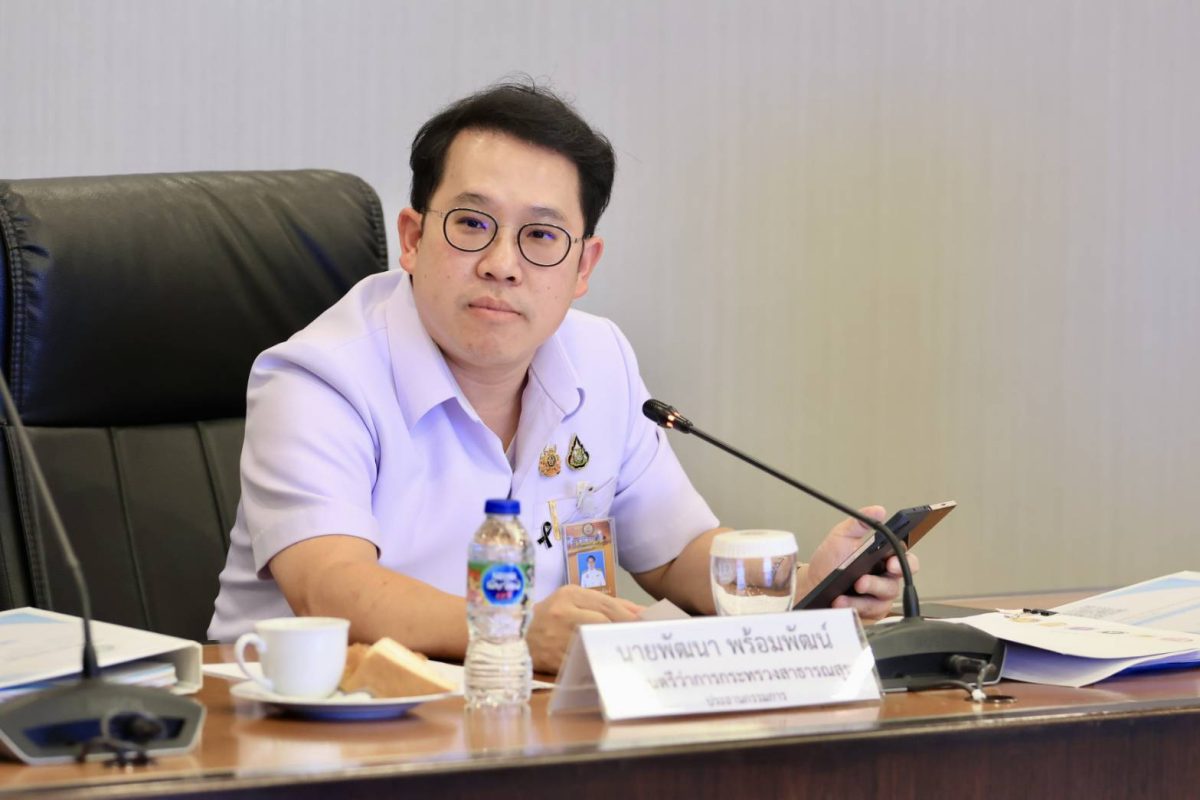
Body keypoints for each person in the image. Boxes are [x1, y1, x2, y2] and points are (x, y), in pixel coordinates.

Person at [208, 81, 916, 673]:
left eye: (541, 236)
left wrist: (800, 588)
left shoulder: (599, 358)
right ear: (414, 239)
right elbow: (331, 590)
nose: (502, 264)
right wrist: (510, 629)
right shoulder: (319, 377)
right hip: (312, 728)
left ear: (583, 267)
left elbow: (676, 553)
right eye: (472, 225)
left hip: (524, 722)